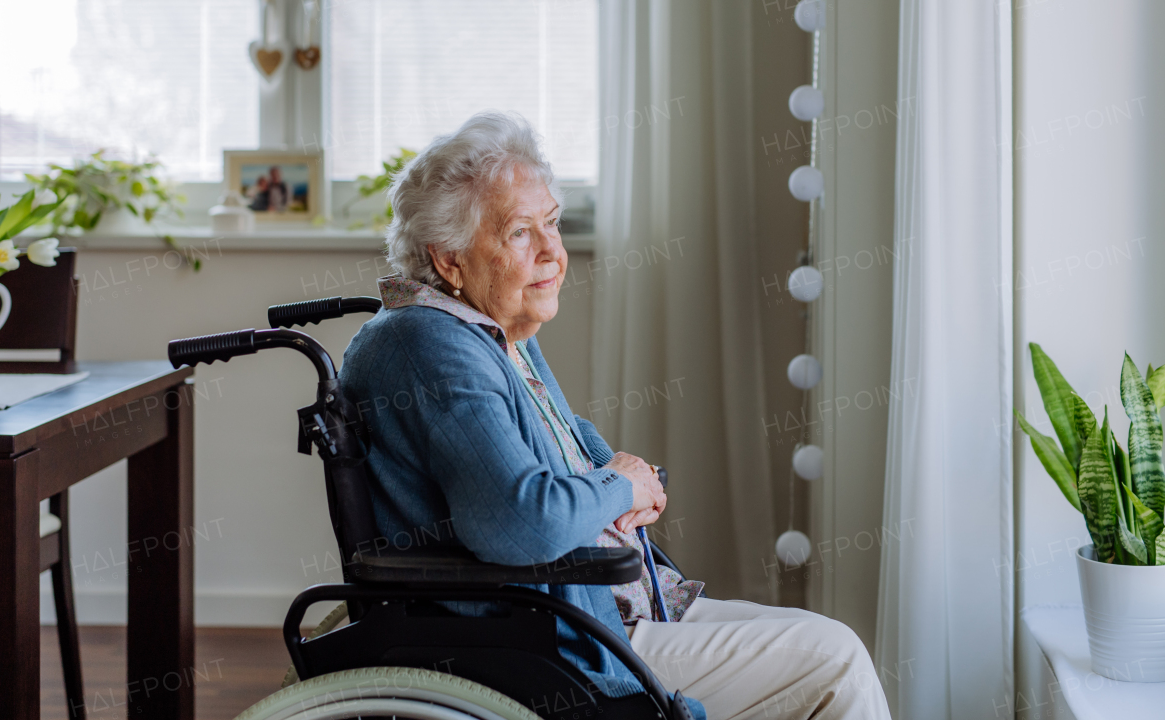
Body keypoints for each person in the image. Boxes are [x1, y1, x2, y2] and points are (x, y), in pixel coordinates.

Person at [339, 112, 892, 720]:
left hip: (605, 607)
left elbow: (572, 438)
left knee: (826, 643)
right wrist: (619, 485)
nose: (553, 251)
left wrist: (632, 478)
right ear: (449, 260)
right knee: (834, 659)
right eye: (521, 233)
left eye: (551, 223)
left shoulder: (490, 328)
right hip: (555, 641)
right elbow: (520, 523)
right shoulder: (428, 345)